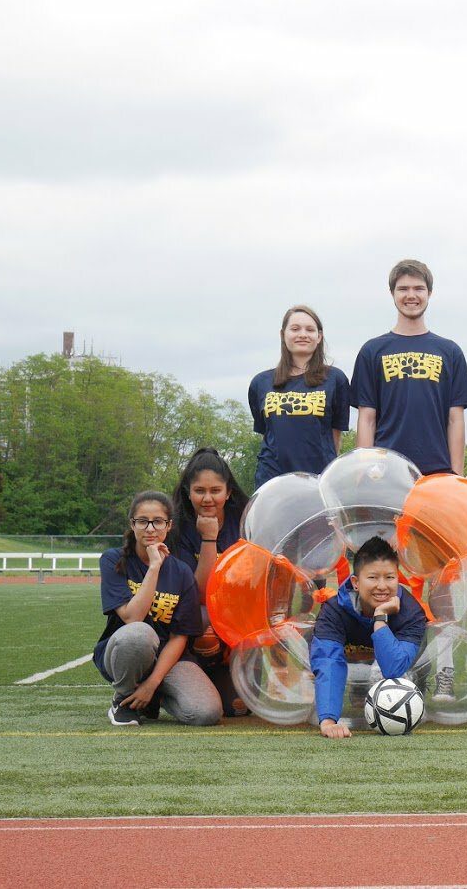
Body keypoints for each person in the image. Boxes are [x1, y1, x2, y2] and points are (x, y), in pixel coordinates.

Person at [93, 491, 220, 727]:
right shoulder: (113, 560)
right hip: (127, 651)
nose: (150, 528)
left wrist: (152, 684)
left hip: (167, 658)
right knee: (140, 633)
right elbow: (132, 618)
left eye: (158, 521)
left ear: (169, 525)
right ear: (132, 525)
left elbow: (179, 637)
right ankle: (123, 699)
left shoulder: (181, 572)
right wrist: (154, 568)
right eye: (142, 521)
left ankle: (151, 698)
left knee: (206, 713)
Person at [352, 259, 467, 475]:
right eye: (403, 289)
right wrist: (364, 471)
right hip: (385, 471)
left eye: (419, 288)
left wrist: (456, 475)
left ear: (430, 293)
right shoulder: (372, 351)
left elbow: (455, 419)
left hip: (437, 471)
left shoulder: (450, 351)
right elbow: (367, 418)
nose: (411, 295)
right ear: (392, 293)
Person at [310, 537, 427, 739]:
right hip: (350, 666)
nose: (382, 586)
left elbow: (394, 669)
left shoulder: (411, 612)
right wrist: (328, 720)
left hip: (403, 681)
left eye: (390, 577)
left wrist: (380, 617)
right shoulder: (333, 611)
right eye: (373, 578)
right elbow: (329, 660)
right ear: (355, 582)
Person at [167, 447, 249, 717]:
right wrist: (209, 539)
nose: (207, 498)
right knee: (204, 618)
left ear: (229, 492)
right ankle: (192, 673)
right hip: (200, 623)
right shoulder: (178, 528)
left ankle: (232, 672)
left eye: (215, 490)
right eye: (199, 491)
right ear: (188, 493)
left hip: (239, 620)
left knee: (236, 709)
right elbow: (201, 594)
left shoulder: (245, 522)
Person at [247, 305, 350, 489]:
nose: (302, 334)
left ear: (319, 337)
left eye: (310, 330)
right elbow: (268, 434)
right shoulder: (260, 383)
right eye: (295, 329)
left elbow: (335, 437)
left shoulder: (336, 379)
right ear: (282, 334)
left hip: (319, 483)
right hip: (272, 483)